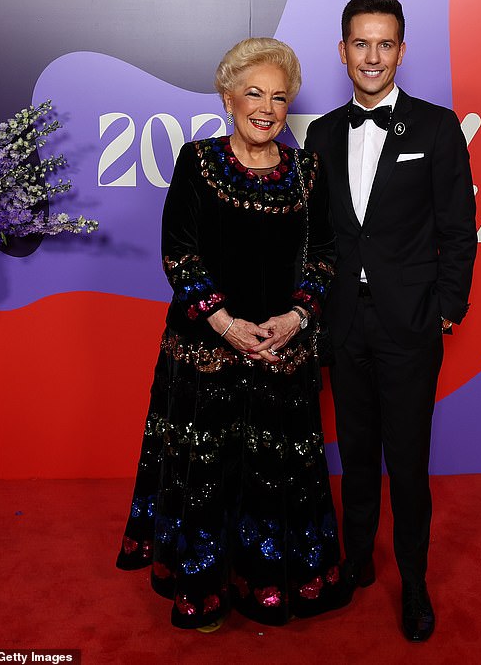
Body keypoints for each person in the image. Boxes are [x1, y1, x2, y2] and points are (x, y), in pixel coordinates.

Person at [117, 37, 343, 630]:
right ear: (228, 97)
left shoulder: (308, 172)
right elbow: (180, 256)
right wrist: (223, 322)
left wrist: (294, 319)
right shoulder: (197, 162)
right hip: (206, 351)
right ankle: (203, 592)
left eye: (277, 96)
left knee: (274, 473)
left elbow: (323, 257)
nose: (265, 107)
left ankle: (268, 588)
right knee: (209, 474)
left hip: (281, 352)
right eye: (253, 93)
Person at [305, 0, 477, 642]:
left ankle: (414, 583)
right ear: (343, 51)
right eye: (360, 43)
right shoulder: (320, 133)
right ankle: (355, 566)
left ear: (401, 51)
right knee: (354, 455)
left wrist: (447, 312)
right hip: (344, 323)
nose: (372, 56)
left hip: (411, 326)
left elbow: (458, 232)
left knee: (406, 464)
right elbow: (315, 237)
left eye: (384, 43)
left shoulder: (436, 128)